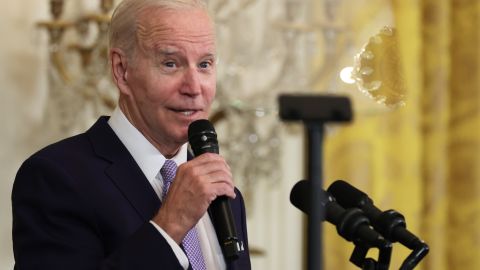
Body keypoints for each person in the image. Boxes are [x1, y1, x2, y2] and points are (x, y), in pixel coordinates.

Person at [11, 0, 251, 269]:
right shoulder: (55, 178)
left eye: (205, 64)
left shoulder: (224, 196)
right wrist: (170, 224)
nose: (194, 87)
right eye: (171, 63)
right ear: (122, 71)